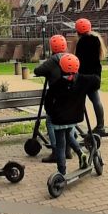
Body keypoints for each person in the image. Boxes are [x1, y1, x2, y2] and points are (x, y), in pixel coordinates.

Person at [44, 54, 98, 175]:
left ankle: (61, 171)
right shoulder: (83, 81)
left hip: (59, 119)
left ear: (61, 68)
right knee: (68, 134)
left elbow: (47, 103)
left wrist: (52, 113)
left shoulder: (56, 85)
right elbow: (96, 80)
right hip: (74, 117)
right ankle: (81, 153)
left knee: (60, 145)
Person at [35, 34, 74, 163]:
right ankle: (68, 150)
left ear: (52, 47)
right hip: (71, 96)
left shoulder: (53, 60)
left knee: (50, 122)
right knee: (69, 121)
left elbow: (37, 70)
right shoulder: (71, 58)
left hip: (56, 98)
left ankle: (56, 152)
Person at [73, 18, 107, 134]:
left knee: (77, 101)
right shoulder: (97, 40)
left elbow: (77, 60)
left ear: (77, 31)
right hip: (95, 77)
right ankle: (100, 126)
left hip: (83, 77)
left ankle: (73, 127)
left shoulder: (81, 42)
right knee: (96, 101)